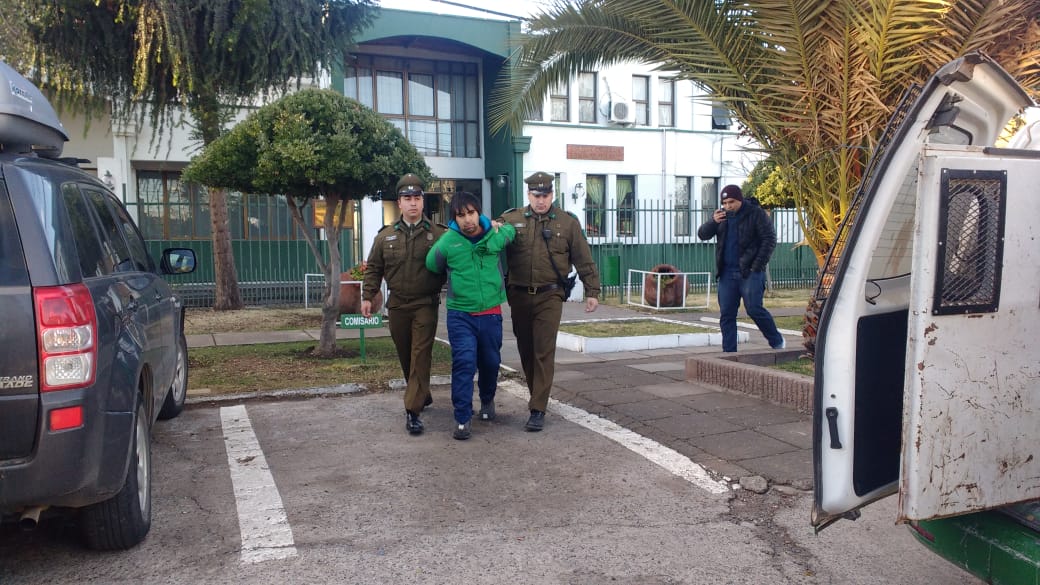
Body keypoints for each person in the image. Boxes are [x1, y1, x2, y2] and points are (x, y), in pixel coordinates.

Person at [497, 171, 601, 432]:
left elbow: (583, 257)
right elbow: (487, 238)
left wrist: (592, 291)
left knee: (544, 350)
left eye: (545, 195)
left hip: (550, 295)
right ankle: (537, 395)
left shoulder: (567, 223)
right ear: (528, 195)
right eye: (536, 195)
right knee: (526, 350)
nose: (541, 200)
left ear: (552, 195)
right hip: (519, 295)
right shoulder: (511, 219)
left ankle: (537, 408)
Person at [361, 174, 447, 436]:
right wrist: (368, 296)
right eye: (407, 198)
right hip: (397, 304)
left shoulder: (439, 234)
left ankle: (412, 411)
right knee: (406, 355)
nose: (413, 203)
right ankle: (423, 393)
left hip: (425, 304)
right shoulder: (385, 237)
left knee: (420, 355)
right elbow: (374, 268)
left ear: (423, 201)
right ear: (399, 203)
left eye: (417, 198)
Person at [426, 192, 515, 440]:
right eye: (461, 215)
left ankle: (487, 401)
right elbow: (432, 263)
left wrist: (497, 229)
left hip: (490, 314)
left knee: (489, 362)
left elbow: (511, 233)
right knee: (464, 363)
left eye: (471, 213)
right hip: (460, 315)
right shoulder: (448, 241)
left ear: (479, 213)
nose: (467, 220)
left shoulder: (495, 233)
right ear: (455, 218)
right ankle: (462, 418)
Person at [696, 184, 785, 352]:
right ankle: (729, 353)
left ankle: (777, 341)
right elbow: (702, 235)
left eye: (732, 202)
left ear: (740, 200)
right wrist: (712, 222)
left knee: (754, 309)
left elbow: (769, 239)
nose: (728, 206)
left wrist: (757, 266)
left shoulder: (755, 213)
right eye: (725, 202)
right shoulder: (721, 217)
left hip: (749, 271)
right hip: (727, 273)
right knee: (727, 314)